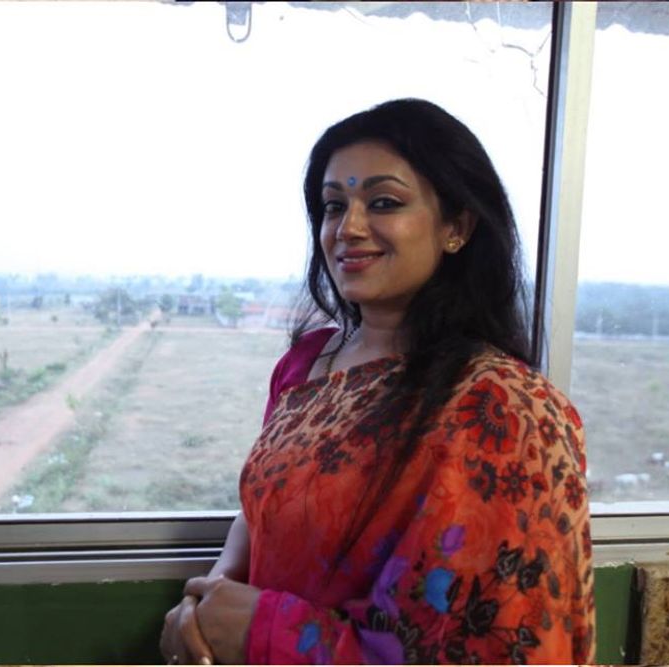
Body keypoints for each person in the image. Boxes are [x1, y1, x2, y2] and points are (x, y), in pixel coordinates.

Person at [160, 98, 595, 664]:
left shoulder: (504, 409)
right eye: (333, 206)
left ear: (457, 226)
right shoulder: (308, 364)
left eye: (384, 202)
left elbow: (480, 648)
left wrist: (258, 629)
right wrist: (210, 598)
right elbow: (262, 504)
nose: (349, 228)